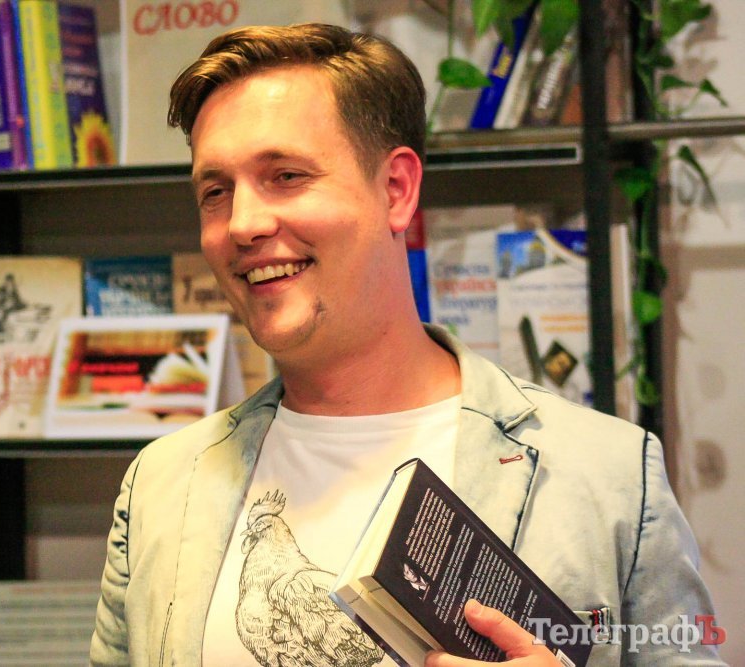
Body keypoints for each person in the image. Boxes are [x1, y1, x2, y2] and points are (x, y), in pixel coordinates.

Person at [90, 23, 725, 667]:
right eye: (215, 192)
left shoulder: (608, 476)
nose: (243, 224)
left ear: (396, 190)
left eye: (285, 175)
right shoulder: (160, 486)